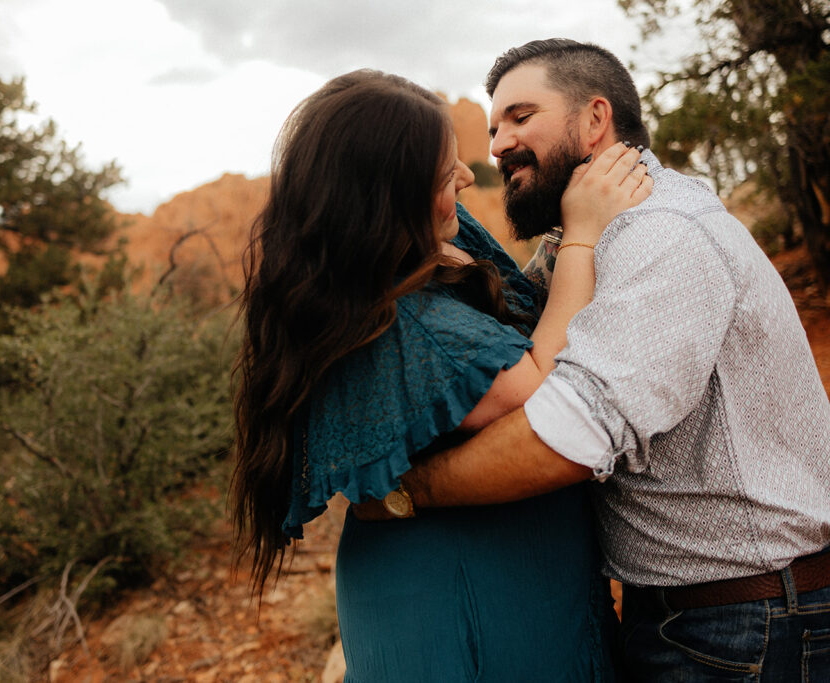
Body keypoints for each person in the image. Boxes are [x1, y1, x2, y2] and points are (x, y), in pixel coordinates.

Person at [368, 39, 830, 681]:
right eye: (494, 125)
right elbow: (531, 323)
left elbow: (569, 437)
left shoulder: (663, 235)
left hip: (744, 624)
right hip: (701, 615)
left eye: (521, 117)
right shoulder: (595, 233)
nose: (497, 144)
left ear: (594, 120)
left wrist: (404, 492)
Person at [229, 68, 651, 681]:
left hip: (518, 566)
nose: (464, 176)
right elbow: (537, 380)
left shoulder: (442, 236)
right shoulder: (405, 322)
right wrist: (583, 234)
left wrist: (565, 237)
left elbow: (526, 305)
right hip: (460, 588)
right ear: (387, 196)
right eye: (441, 172)